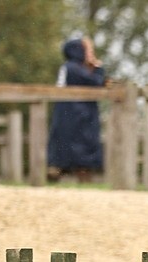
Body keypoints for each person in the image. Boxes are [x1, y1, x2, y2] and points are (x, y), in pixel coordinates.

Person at [48, 36, 106, 181]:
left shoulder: (71, 68)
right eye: (88, 51)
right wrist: (98, 68)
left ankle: (58, 174)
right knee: (80, 154)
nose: (91, 55)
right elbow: (96, 83)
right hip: (77, 118)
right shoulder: (73, 68)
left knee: (68, 154)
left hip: (73, 117)